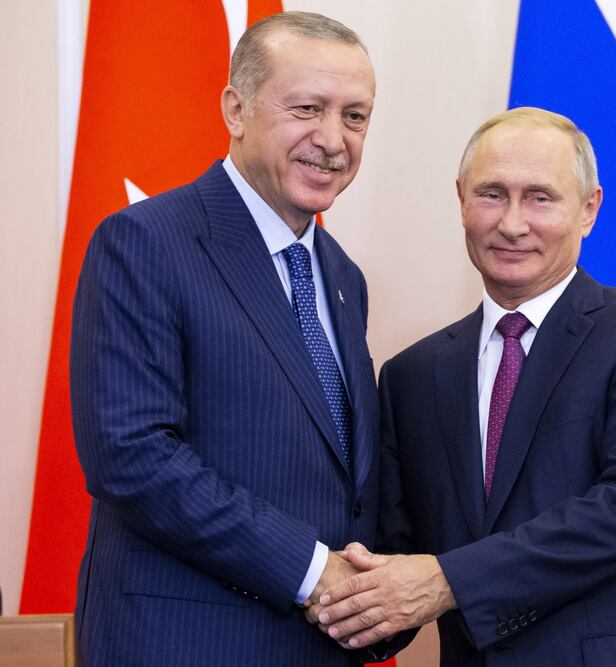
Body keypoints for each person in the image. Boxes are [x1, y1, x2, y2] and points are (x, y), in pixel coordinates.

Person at [311, 107, 616, 666]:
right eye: (491, 194)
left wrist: (447, 582)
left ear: (589, 209)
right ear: (461, 200)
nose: (511, 223)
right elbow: (402, 557)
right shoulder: (411, 376)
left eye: (540, 197)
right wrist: (342, 595)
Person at [70, 12, 382, 666]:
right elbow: (132, 455)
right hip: (189, 644)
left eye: (355, 116)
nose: (333, 138)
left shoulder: (343, 276)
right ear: (235, 110)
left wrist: (381, 592)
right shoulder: (145, 243)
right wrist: (311, 569)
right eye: (307, 108)